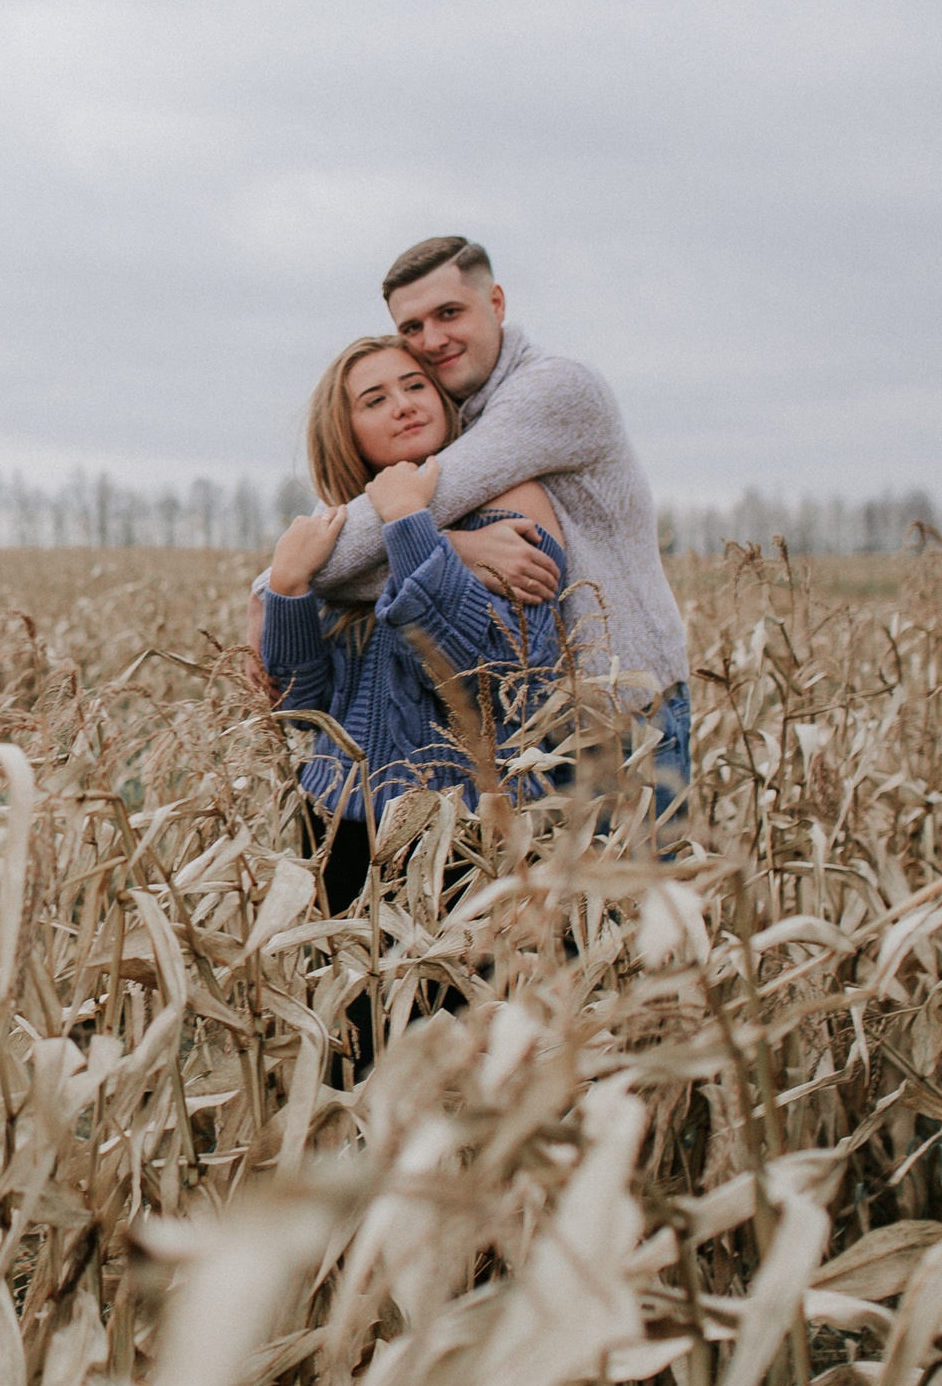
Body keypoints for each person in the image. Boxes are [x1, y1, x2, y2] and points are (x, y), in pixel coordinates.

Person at [250, 333, 568, 1079]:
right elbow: (302, 708)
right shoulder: (344, 540)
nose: (402, 406)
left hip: (460, 843)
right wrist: (290, 590)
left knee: (464, 1076)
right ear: (346, 430)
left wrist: (414, 528)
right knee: (355, 1065)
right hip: (340, 838)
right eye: (374, 399)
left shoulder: (514, 505)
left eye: (415, 385)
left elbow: (488, 677)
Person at [301, 238, 690, 820]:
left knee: (633, 909)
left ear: (498, 303)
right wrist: (459, 547)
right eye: (412, 326)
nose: (432, 340)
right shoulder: (458, 415)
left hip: (626, 720)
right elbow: (395, 524)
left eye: (449, 313)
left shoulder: (549, 391)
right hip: (535, 731)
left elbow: (346, 548)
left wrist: (284, 577)